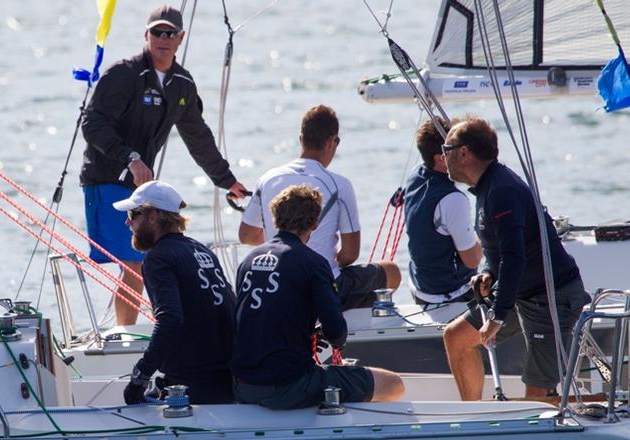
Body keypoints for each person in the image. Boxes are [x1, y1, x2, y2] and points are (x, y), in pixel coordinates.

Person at [80, 5, 247, 325]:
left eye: (170, 33)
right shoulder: (123, 74)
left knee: (148, 259)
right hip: (105, 178)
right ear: (146, 35)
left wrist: (227, 181)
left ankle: (155, 329)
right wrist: (130, 158)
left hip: (140, 188)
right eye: (157, 32)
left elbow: (198, 137)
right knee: (135, 263)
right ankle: (127, 335)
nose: (163, 38)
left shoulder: (181, 84)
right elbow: (93, 124)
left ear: (181, 38)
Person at [441, 116, 591, 400]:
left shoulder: (502, 191)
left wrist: (497, 316)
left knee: (536, 394)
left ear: (463, 153)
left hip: (550, 296)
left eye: (446, 148)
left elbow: (514, 257)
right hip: (517, 293)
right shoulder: (485, 187)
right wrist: (487, 272)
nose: (442, 155)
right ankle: (474, 417)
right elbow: (499, 250)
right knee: (456, 337)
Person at [232, 185, 405, 409]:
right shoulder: (312, 263)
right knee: (393, 384)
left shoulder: (248, 260)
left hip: (243, 386)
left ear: (275, 218)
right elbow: (336, 332)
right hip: (289, 386)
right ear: (315, 223)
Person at [239, 105, 401, 310]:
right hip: (324, 285)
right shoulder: (340, 185)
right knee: (392, 271)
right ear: (333, 142)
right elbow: (350, 254)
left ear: (301, 139)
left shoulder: (267, 179)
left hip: (279, 283)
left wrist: (279, 238)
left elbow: (246, 235)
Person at [115, 180, 236, 404]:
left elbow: (170, 320)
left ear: (153, 217)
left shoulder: (158, 258)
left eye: (133, 214)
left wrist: (140, 377)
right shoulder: (202, 251)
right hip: (227, 382)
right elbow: (233, 308)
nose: (127, 222)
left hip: (194, 387)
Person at [404, 117, 482, 305]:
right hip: (451, 293)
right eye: (460, 151)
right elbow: (472, 261)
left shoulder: (416, 174)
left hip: (419, 287)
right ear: (441, 158)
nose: (466, 155)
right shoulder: (453, 200)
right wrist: (488, 235)